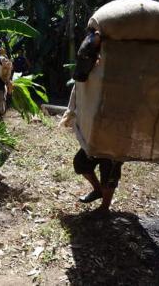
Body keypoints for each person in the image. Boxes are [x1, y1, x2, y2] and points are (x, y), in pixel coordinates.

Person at [67, 29, 124, 212]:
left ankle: (104, 208)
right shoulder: (94, 70)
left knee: (110, 171)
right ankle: (98, 191)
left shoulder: (121, 73)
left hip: (115, 133)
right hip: (96, 132)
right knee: (81, 163)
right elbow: (80, 78)